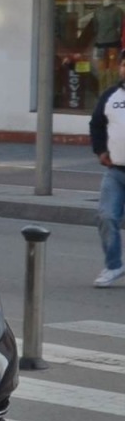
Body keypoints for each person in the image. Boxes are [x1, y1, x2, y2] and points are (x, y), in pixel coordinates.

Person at [89, 55, 125, 287]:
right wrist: (101, 151)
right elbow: (96, 124)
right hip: (116, 172)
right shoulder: (110, 96)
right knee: (106, 216)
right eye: (124, 64)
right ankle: (114, 266)